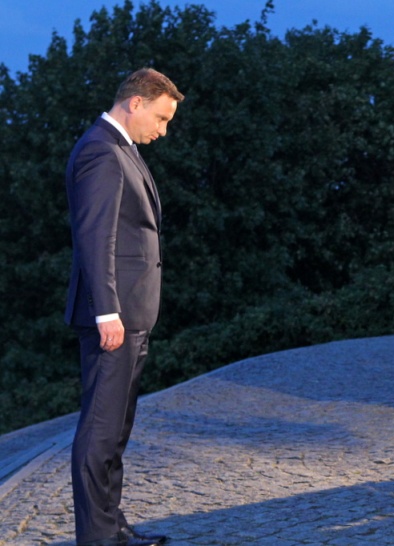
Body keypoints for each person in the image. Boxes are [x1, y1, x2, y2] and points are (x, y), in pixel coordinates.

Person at [65, 68, 183, 546]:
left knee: (115, 429)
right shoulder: (101, 151)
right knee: (100, 428)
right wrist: (106, 311)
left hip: (130, 314)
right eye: (160, 118)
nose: (163, 130)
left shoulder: (122, 150)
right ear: (135, 103)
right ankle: (97, 537)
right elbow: (97, 237)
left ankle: (111, 528)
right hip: (113, 317)